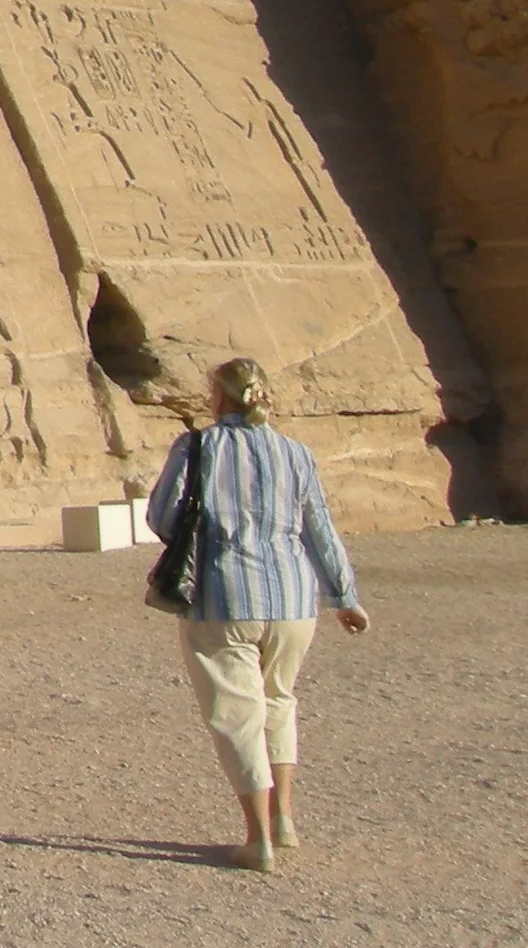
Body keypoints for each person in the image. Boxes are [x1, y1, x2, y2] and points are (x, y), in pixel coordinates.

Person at [149, 355, 369, 871]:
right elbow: (320, 529)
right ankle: (284, 819)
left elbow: (162, 517)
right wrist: (345, 597)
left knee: (236, 713)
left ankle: (257, 839)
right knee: (278, 702)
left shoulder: (197, 446)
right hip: (295, 599)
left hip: (223, 595)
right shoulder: (296, 453)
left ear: (219, 397)